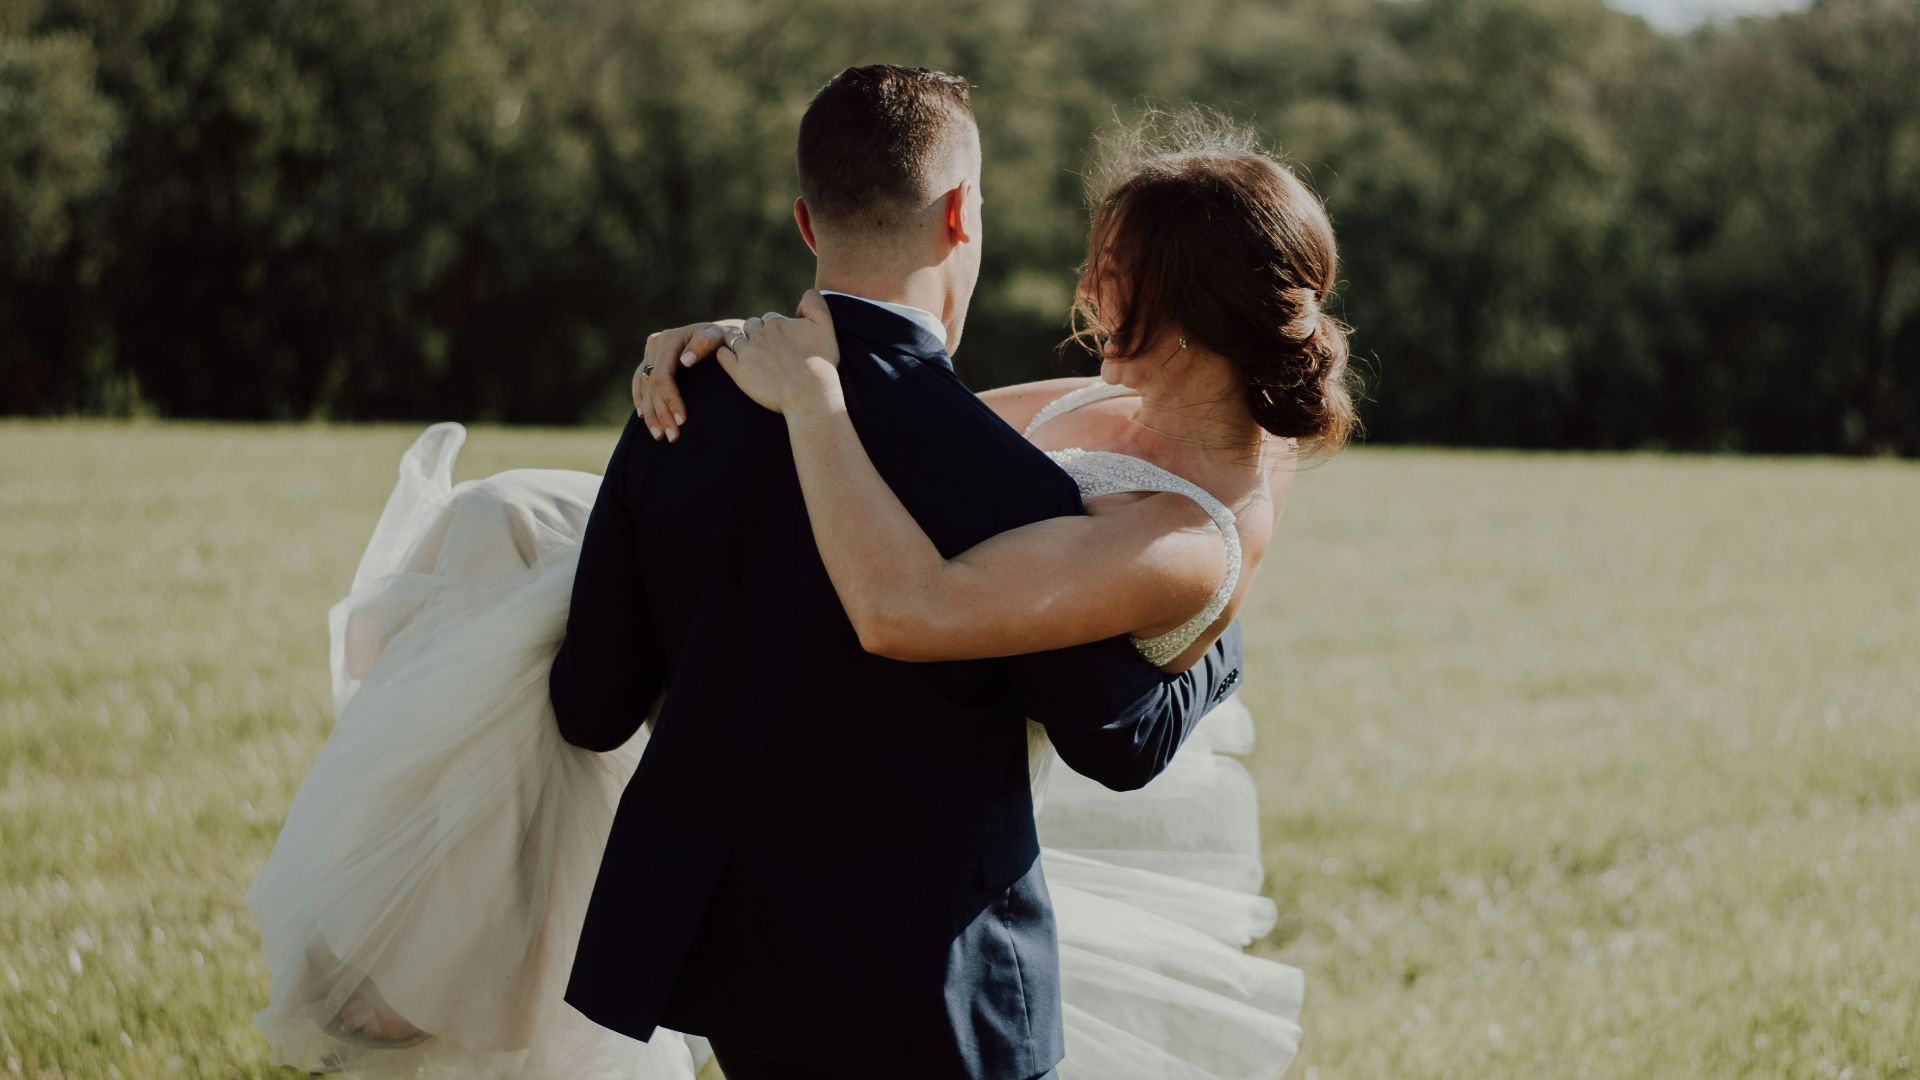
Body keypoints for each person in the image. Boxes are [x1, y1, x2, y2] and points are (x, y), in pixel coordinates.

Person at [247, 67, 1266, 1080]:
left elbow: (593, 707)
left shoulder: (676, 406)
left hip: (729, 957)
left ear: (806, 220)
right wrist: (1219, 622)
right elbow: (1116, 734)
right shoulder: (1011, 485)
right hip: (938, 986)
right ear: (962, 214)